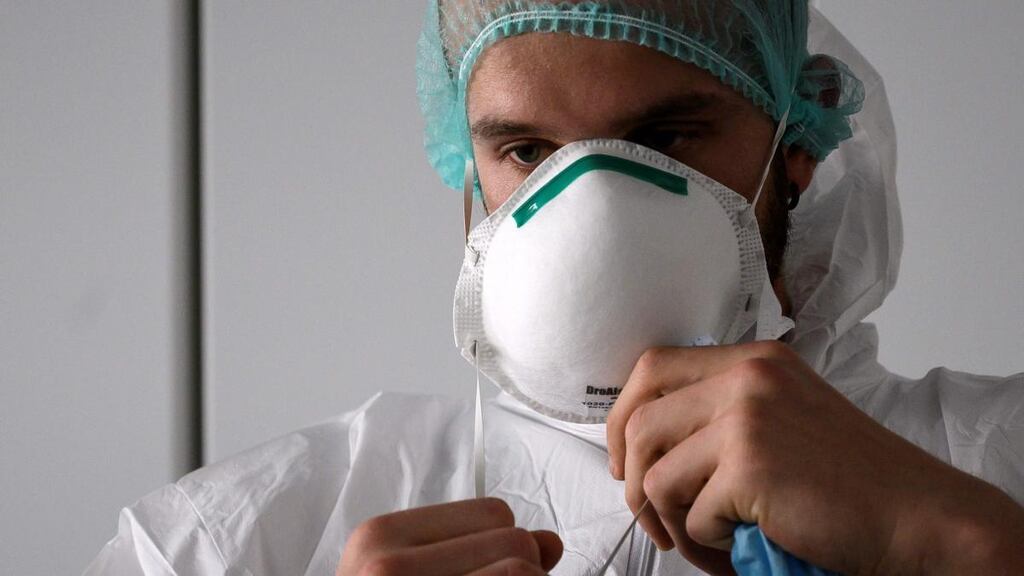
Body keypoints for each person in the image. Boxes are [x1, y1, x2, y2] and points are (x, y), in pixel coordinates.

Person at [85, 2, 1024, 575]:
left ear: (801, 149)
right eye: (527, 151)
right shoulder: (246, 539)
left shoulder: (995, 470)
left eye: (666, 139)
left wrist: (962, 546)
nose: (597, 215)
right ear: (470, 175)